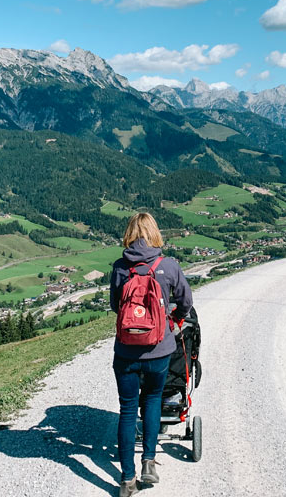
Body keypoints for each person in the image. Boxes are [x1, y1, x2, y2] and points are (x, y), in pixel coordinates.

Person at [110, 213, 193, 497]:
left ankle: (127, 480)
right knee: (154, 399)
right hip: (159, 351)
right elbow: (186, 302)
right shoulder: (168, 265)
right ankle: (148, 462)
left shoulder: (120, 268)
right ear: (155, 233)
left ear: (130, 234)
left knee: (127, 409)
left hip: (126, 353)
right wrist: (172, 321)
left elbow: (114, 306)